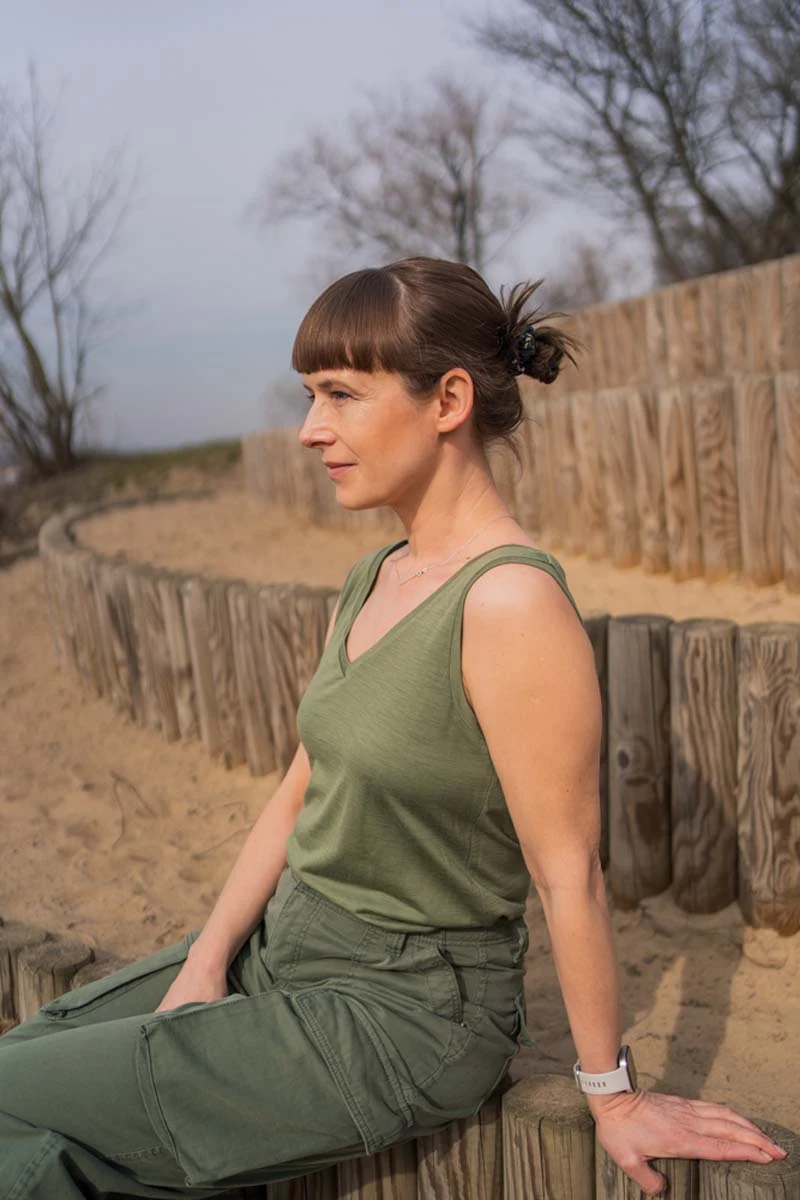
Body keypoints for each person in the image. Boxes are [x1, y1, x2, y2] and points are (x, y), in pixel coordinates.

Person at [0, 257, 786, 1198]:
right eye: (309, 395)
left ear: (448, 400)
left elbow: (567, 870)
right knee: (25, 1066)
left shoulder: (510, 603)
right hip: (287, 948)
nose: (309, 429)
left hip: (408, 1009)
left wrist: (612, 1096)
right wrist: (207, 962)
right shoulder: (373, 575)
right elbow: (301, 787)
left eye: (339, 394)